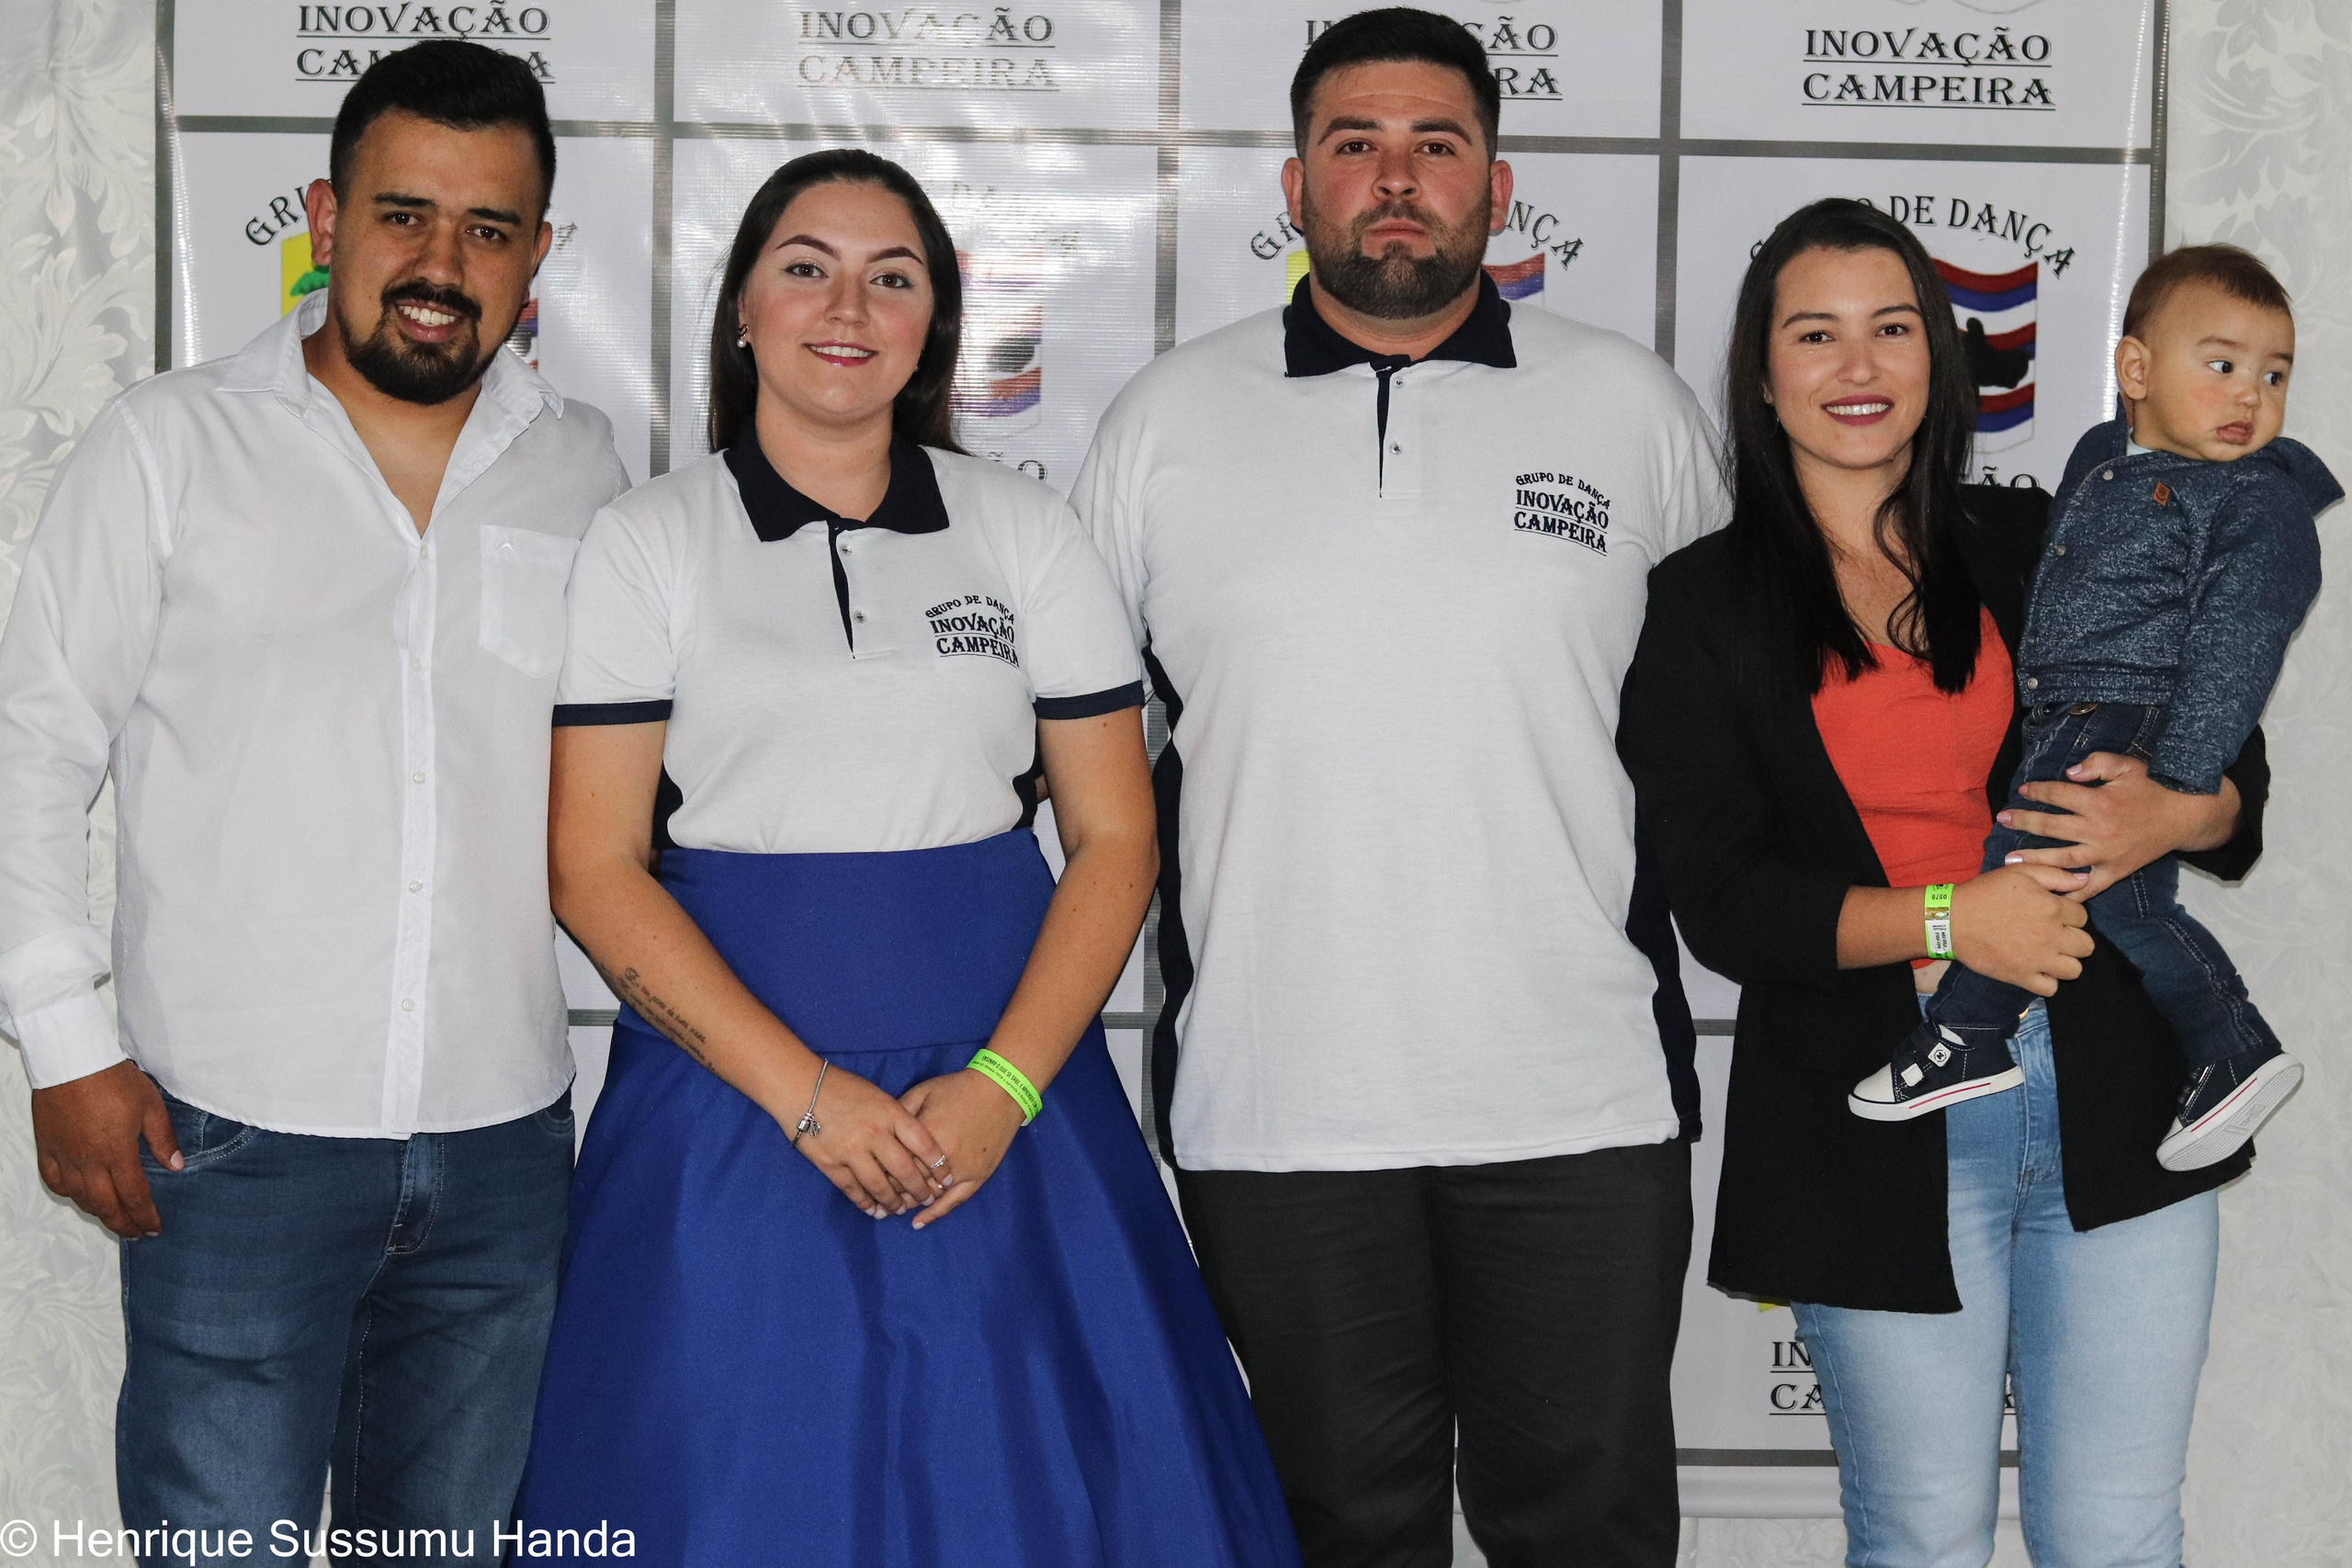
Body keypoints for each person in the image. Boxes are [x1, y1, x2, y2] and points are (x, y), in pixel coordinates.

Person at [509, 149, 1300, 1568]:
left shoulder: (1024, 529)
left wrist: (1002, 1089)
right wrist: (805, 1096)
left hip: (1006, 1103)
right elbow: (593, 866)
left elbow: (1116, 837)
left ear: (934, 319)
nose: (847, 305)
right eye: (805, 266)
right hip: (727, 1109)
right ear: (741, 307)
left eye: (894, 276)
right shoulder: (649, 539)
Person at [1069, 10, 1724, 1564]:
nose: (1397, 179)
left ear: (1499, 187)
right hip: (1281, 1103)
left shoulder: (1634, 413)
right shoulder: (1164, 424)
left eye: (1438, 145)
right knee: (1330, 1535)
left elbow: (1733, 726)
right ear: (1294, 188)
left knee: (1592, 1534)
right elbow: (1070, 771)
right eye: (1355, 146)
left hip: (1580, 1100)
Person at [0, 41, 625, 1565]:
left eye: (488, 230)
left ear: (537, 257)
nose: (440, 263)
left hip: (500, 1144)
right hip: (228, 1138)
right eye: (404, 214)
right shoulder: (169, 445)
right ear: (327, 215)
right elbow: (27, 744)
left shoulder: (587, 468)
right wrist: (64, 1040)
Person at [1618, 197, 2272, 1568]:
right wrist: (1947, 916)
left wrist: (2172, 806)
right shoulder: (1699, 603)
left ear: (1937, 358)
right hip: (1873, 1115)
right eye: (1817, 333)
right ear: (1761, 371)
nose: (1858, 366)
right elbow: (1726, 900)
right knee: (1920, 1535)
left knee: (2117, 1534)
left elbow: (2231, 784)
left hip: (2114, 1091)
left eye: (1892, 328)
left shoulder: (2043, 539)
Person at [1849, 244, 2330, 1173]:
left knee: (2030, 858)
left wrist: (2175, 785)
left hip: (2125, 719)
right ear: (2135, 370)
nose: (2249, 397)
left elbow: (2240, 645)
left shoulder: (2256, 506)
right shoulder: (2102, 457)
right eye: (2222, 365)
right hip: (2068, 710)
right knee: (2122, 907)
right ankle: (2227, 1048)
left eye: (2274, 376)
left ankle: (1964, 1033)